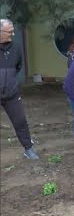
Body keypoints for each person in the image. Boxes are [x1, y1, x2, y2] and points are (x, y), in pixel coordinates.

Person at [0, 19, 39, 160]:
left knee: (20, 121)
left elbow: (18, 67)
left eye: (12, 31)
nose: (13, 34)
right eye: (9, 32)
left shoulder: (16, 48)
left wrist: (8, 82)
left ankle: (28, 149)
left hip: (11, 94)